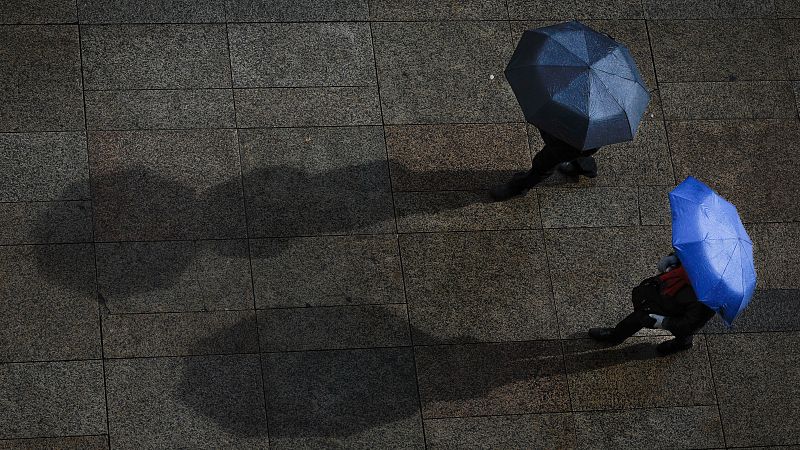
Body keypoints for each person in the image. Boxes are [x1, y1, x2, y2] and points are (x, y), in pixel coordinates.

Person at [588, 253, 715, 356]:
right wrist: (675, 258)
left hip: (675, 311)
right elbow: (689, 254)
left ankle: (682, 343)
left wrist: (664, 322)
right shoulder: (708, 256)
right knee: (639, 317)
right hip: (662, 296)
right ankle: (616, 335)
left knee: (683, 332)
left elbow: (690, 324)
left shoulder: (709, 300)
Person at [489, 128, 599, 201]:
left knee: (544, 164)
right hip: (588, 135)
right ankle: (584, 166)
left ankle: (519, 187)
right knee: (580, 147)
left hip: (569, 137)